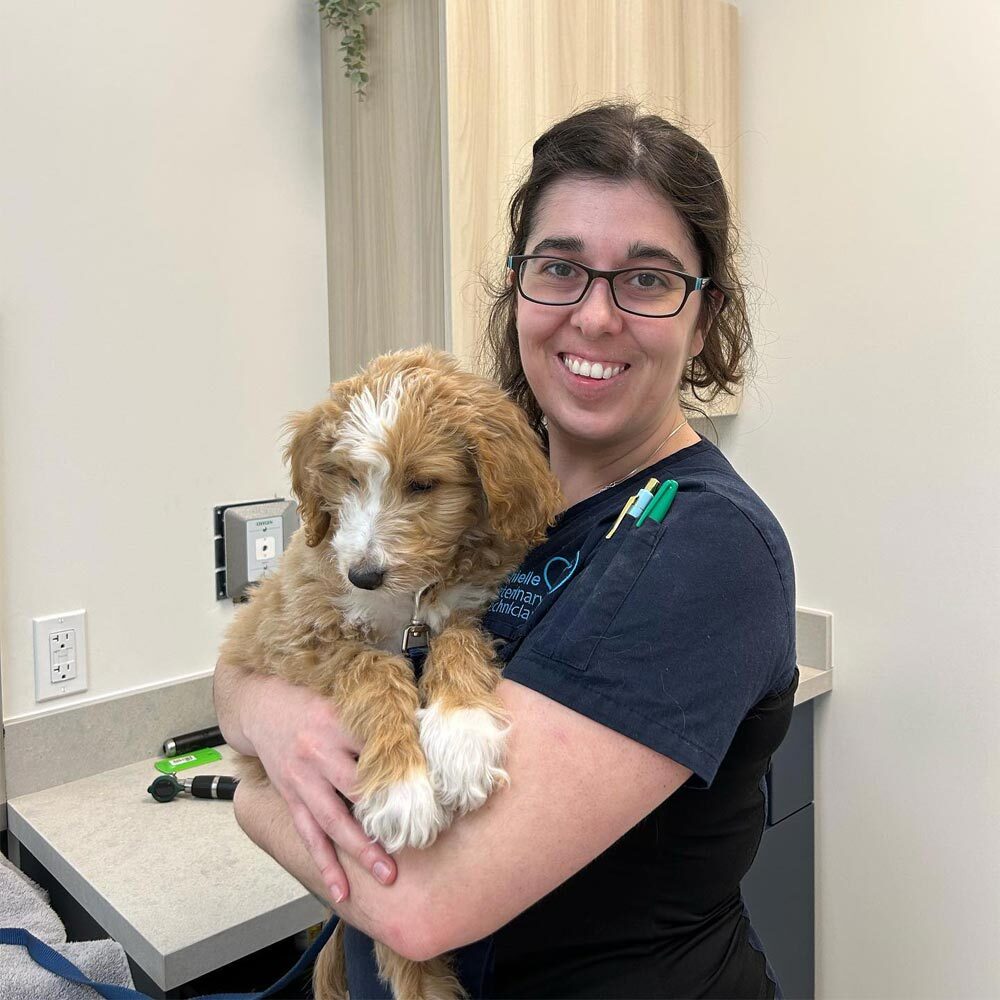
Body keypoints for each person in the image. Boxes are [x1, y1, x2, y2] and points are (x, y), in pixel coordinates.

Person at [215, 101, 797, 999]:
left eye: (646, 280)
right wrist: (269, 720)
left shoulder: (708, 549)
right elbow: (268, 652)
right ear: (518, 288)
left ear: (705, 313)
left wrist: (254, 793)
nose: (595, 319)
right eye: (560, 267)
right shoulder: (485, 495)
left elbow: (421, 907)